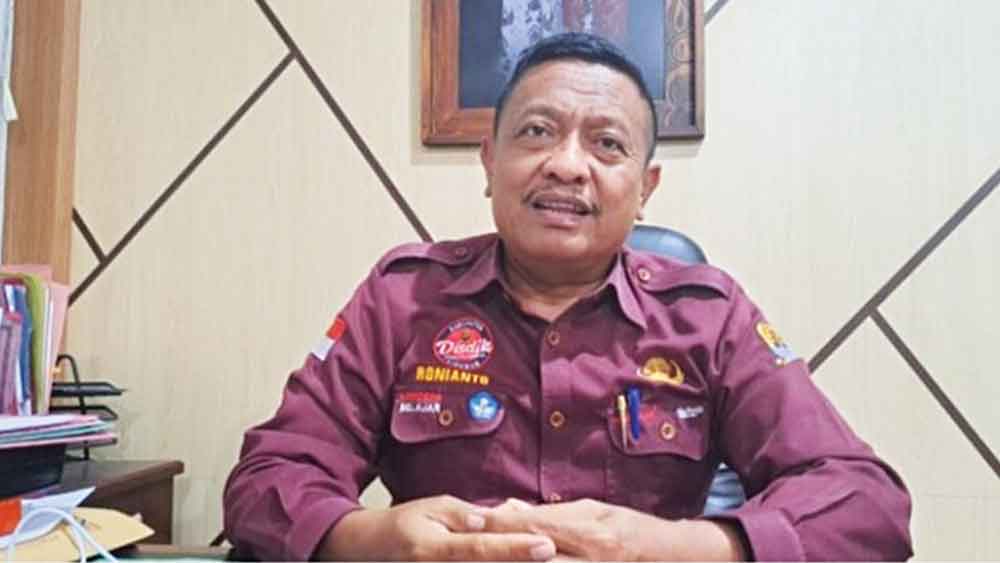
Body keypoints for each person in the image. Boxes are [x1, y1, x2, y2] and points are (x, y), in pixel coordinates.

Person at [223, 33, 912, 561]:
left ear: (645, 190)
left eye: (606, 143)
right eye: (537, 132)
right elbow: (267, 477)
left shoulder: (707, 316)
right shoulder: (403, 298)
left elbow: (867, 504)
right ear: (490, 162)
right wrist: (371, 539)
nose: (567, 164)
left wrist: (670, 547)